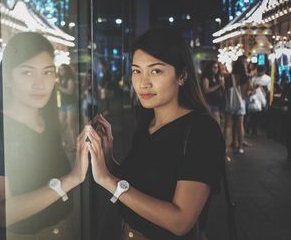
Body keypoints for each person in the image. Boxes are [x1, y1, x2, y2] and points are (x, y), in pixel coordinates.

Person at [84, 28, 225, 240]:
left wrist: (106, 179)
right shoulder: (147, 120)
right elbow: (140, 186)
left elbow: (180, 222)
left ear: (182, 75)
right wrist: (108, 159)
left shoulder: (202, 131)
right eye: (136, 71)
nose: (143, 83)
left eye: (156, 71)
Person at [0, 32, 89, 240]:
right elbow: (1, 213)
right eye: (27, 73)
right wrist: (71, 179)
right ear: (7, 77)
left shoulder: (46, 120)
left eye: (47, 72)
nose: (39, 83)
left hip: (65, 228)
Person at [224, 56, 251, 154]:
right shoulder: (245, 78)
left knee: (228, 125)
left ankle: (226, 147)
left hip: (230, 103)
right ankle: (240, 147)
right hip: (241, 104)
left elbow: (226, 90)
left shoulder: (229, 77)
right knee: (240, 125)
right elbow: (246, 93)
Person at [57, 64, 78, 160]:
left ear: (66, 70)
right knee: (61, 125)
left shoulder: (70, 79)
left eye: (63, 69)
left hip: (71, 105)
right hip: (62, 105)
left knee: (71, 125)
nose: (61, 70)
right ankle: (64, 143)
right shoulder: (60, 79)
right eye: (60, 69)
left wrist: (59, 88)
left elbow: (70, 91)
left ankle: (75, 145)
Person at [201, 60, 225, 125]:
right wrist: (218, 85)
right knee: (216, 123)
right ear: (209, 68)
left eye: (217, 67)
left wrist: (222, 85)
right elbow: (206, 90)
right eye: (214, 67)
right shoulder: (206, 78)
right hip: (209, 103)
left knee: (217, 123)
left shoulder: (217, 77)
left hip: (217, 103)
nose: (216, 69)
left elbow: (222, 89)